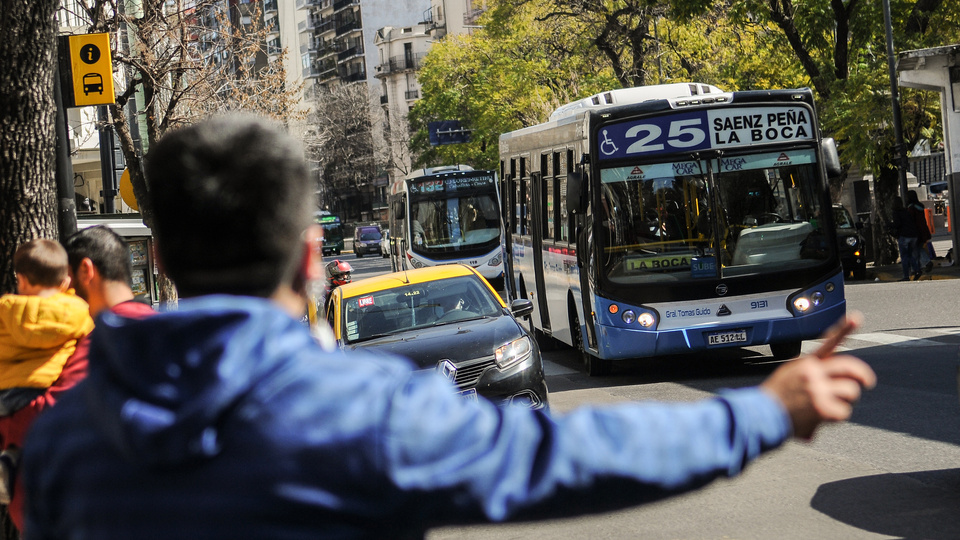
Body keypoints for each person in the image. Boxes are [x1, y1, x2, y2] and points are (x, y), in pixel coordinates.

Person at [22, 114, 876, 539]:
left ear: (162, 256)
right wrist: (765, 411)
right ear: (312, 254)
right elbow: (569, 460)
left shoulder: (64, 439)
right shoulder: (361, 410)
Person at [0, 227, 155, 531]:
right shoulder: (155, 326)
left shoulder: (105, 338)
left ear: (85, 270)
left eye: (64, 283)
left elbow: (44, 414)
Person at [0, 240, 94, 513]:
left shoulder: (6, 310)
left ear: (21, 279)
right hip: (45, 390)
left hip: (6, 395)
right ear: (65, 281)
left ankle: (9, 459)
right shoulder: (77, 313)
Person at [891, 197, 922, 281]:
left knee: (904, 256)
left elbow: (897, 224)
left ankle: (906, 276)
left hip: (904, 236)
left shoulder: (896, 212)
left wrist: (890, 225)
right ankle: (917, 270)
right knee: (910, 254)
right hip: (913, 235)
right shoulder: (906, 211)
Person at [906, 190, 933, 276]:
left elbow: (910, 221)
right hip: (923, 231)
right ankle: (920, 266)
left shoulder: (911, 208)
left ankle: (921, 264)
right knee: (918, 248)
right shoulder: (920, 207)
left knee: (915, 250)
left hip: (915, 232)